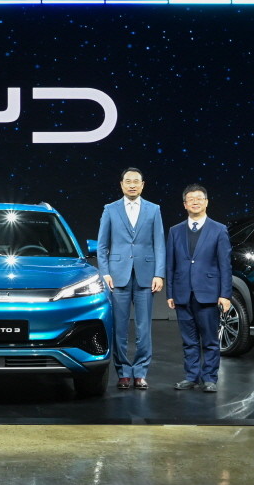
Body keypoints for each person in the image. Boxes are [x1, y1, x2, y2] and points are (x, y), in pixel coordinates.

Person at [97, 167, 165, 389]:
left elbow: (159, 244)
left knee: (144, 329)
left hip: (146, 275)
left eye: (136, 181)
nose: (132, 185)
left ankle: (140, 372)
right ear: (121, 184)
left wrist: (159, 273)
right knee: (119, 328)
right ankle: (123, 373)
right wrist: (105, 272)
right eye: (128, 181)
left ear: (143, 185)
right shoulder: (110, 209)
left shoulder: (154, 209)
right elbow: (102, 245)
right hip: (118, 276)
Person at [166, 184, 232, 393]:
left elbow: (225, 265)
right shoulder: (175, 230)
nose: (195, 202)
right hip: (182, 292)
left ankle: (210, 378)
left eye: (199, 198)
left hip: (209, 293)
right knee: (189, 340)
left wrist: (225, 294)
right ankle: (191, 376)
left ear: (206, 202)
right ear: (185, 204)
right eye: (191, 199)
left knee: (210, 340)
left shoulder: (219, 229)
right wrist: (170, 293)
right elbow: (170, 264)